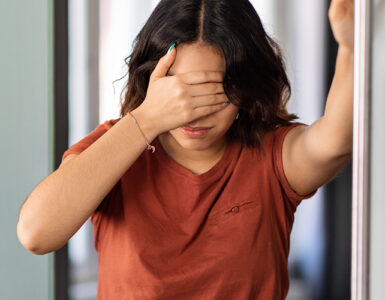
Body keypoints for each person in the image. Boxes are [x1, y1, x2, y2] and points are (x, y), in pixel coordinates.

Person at [17, 0, 354, 299]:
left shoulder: (272, 157)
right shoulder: (117, 148)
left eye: (215, 94)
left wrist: (351, 47)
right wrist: (147, 118)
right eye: (181, 93)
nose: (196, 112)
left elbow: (335, 141)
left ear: (246, 87)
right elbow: (36, 233)